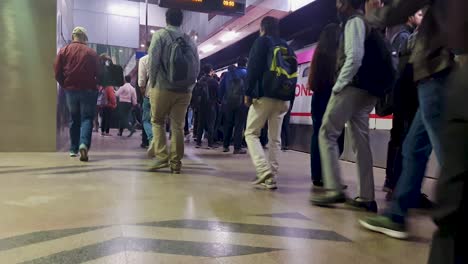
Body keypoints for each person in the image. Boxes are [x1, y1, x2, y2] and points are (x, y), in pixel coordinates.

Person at [360, 0, 454, 240]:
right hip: (437, 71)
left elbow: (401, 8)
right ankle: (396, 216)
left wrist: (372, 16)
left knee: (449, 155)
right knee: (414, 148)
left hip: (437, 68)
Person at [310, 0, 379, 212]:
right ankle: (367, 197)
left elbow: (354, 57)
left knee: (326, 132)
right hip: (367, 90)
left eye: (340, 2)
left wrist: (338, 86)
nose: (338, 6)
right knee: (361, 141)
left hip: (352, 87)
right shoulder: (368, 24)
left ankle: (334, 189)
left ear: (348, 4)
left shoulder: (353, 22)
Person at [244, 16, 296, 190]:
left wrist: (248, 92)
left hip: (265, 96)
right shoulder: (287, 46)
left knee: (251, 133)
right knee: (275, 139)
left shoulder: (262, 41)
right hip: (283, 99)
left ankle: (263, 170)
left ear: (262, 28)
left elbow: (253, 68)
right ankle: (271, 177)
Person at [148, 8, 199, 173]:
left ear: (166, 20)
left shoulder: (160, 35)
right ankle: (176, 163)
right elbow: (196, 66)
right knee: (178, 125)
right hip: (184, 91)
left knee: (157, 121)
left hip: (163, 87)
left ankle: (162, 157)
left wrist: (152, 83)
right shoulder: (189, 40)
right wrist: (190, 86)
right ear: (181, 21)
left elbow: (153, 62)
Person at [383, 10, 427, 203]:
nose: (422, 17)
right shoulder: (405, 36)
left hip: (402, 93)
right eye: (418, 14)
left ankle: (394, 184)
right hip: (407, 93)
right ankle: (396, 184)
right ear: (409, 16)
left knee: (400, 139)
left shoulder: (401, 35)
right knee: (404, 139)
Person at [307, 23, 346, 188]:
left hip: (318, 98)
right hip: (334, 97)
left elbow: (313, 81)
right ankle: (330, 175)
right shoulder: (339, 54)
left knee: (318, 135)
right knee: (336, 137)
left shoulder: (318, 54)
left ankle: (318, 176)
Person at [54, 27, 100, 162]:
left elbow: (57, 72)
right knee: (86, 118)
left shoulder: (63, 51)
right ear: (85, 38)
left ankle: (73, 149)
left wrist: (65, 84)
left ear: (73, 36)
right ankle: (83, 144)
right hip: (88, 90)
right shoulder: (91, 53)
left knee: (74, 119)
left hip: (71, 90)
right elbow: (99, 73)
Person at [220, 57, 249, 154]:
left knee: (228, 124)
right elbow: (250, 88)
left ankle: (225, 146)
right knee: (239, 125)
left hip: (228, 102)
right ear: (246, 64)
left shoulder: (228, 74)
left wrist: (221, 100)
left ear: (237, 63)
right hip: (241, 103)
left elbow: (221, 88)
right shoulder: (247, 73)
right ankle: (237, 148)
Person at [192, 64, 219, 149]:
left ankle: (198, 143)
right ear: (210, 71)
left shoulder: (199, 81)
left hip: (201, 105)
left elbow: (195, 94)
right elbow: (217, 94)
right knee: (211, 124)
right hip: (211, 105)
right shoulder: (214, 81)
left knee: (200, 123)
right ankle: (210, 143)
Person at [138, 51, 154, 154]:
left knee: (146, 120)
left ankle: (152, 139)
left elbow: (141, 82)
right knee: (159, 122)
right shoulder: (167, 58)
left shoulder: (144, 59)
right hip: (165, 95)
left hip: (150, 95)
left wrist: (144, 94)